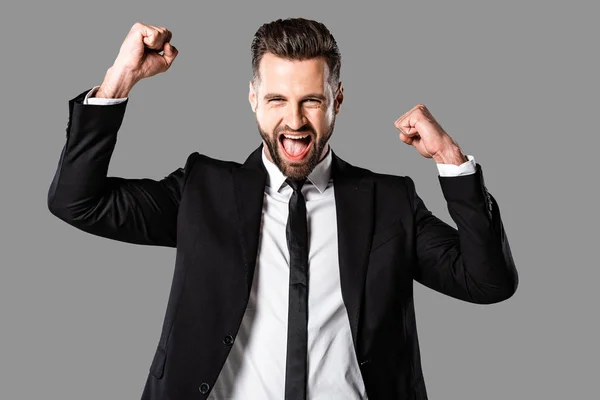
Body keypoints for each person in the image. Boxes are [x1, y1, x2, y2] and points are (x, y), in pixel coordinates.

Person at [47, 17, 518, 400]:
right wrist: (121, 78)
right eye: (277, 100)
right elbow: (77, 201)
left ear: (337, 100)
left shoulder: (389, 201)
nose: (294, 122)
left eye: (311, 101)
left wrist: (451, 161)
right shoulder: (203, 189)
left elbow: (488, 281)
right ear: (253, 99)